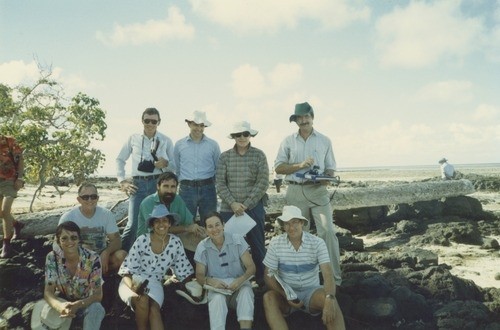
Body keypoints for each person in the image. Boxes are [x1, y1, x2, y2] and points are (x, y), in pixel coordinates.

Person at [274, 102, 342, 285]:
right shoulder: (287, 141)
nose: (303, 121)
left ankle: (334, 280)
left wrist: (326, 178)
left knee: (327, 232)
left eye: (306, 117)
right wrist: (300, 165)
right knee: (296, 234)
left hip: (318, 191)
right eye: (299, 118)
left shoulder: (325, 140)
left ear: (312, 117)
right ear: (295, 120)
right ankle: (299, 279)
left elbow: (330, 169)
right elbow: (278, 167)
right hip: (295, 190)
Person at [263, 205, 345, 330]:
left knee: (330, 301)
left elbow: (328, 274)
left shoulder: (317, 243)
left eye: (295, 222)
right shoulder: (275, 243)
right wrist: (286, 295)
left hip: (311, 293)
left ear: (302, 223)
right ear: (283, 226)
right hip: (286, 295)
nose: (291, 227)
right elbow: (267, 275)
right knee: (268, 298)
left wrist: (330, 297)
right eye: (287, 223)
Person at [118, 204, 194, 330]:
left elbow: (183, 269)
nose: (161, 224)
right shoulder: (142, 240)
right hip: (133, 280)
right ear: (152, 225)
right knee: (142, 299)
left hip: (155, 283)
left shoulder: (175, 242)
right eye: (157, 221)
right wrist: (134, 288)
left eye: (165, 220)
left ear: (170, 223)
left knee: (154, 309)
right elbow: (126, 271)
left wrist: (195, 285)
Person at [216, 121, 269, 282]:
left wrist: (246, 204)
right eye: (238, 135)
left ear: (250, 135)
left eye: (245, 134)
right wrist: (233, 203)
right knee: (228, 246)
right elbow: (220, 183)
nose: (242, 138)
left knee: (258, 246)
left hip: (253, 208)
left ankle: (263, 280)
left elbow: (263, 182)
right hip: (228, 208)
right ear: (233, 137)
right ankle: (232, 279)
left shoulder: (259, 155)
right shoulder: (224, 157)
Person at [116, 107, 175, 252]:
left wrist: (165, 164)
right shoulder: (133, 138)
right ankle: (124, 260)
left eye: (153, 121)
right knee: (134, 223)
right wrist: (122, 181)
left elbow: (174, 166)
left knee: (161, 222)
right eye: (146, 120)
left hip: (158, 184)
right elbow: (120, 159)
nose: (150, 124)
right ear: (142, 121)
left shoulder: (166, 140)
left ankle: (159, 258)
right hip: (138, 184)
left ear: (159, 122)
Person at [194, 212, 255, 330]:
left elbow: (251, 267)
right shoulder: (202, 246)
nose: (215, 229)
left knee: (246, 291)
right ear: (206, 230)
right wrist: (211, 281)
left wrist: (240, 280)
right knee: (217, 299)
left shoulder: (237, 240)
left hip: (238, 287)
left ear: (223, 225)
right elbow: (199, 275)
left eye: (217, 225)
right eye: (210, 227)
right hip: (217, 289)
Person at [44, 221, 105, 330]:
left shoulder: (92, 258)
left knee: (97, 309)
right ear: (58, 241)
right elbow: (48, 291)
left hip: (85, 303)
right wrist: (60, 306)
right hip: (63, 302)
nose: (69, 242)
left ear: (79, 239)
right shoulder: (52, 258)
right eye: (64, 238)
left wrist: (79, 304)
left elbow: (98, 295)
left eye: (73, 238)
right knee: (46, 310)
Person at [58, 182, 127, 275]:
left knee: (121, 256)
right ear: (79, 199)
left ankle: (105, 279)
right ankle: (85, 281)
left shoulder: (106, 214)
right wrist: (80, 251)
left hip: (101, 256)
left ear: (98, 198)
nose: (90, 200)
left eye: (93, 196)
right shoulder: (69, 217)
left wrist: (106, 252)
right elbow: (57, 243)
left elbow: (117, 240)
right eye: (85, 197)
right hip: (78, 258)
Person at [174, 111, 221, 225]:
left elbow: (218, 167)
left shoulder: (213, 145)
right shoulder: (179, 144)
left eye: (201, 125)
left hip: (208, 189)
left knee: (210, 223)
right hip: (186, 190)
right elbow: (177, 168)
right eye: (195, 124)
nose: (198, 128)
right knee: (186, 224)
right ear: (189, 124)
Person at [0, 134, 25, 258]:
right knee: (1, 213)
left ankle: (6, 245)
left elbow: (20, 160)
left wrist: (20, 178)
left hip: (9, 181)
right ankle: (16, 224)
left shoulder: (9, 141)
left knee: (5, 211)